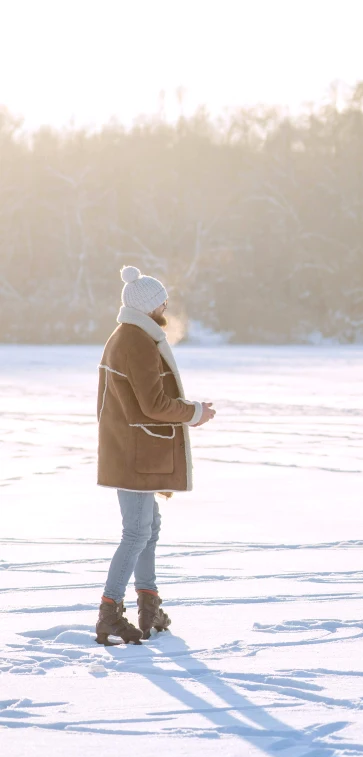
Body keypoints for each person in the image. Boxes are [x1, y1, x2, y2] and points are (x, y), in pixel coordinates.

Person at [94, 266, 216, 645]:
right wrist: (193, 412)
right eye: (162, 300)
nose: (167, 304)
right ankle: (109, 613)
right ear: (149, 306)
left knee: (149, 529)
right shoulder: (134, 340)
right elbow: (154, 403)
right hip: (133, 453)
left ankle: (148, 606)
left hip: (134, 449)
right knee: (136, 533)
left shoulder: (133, 335)